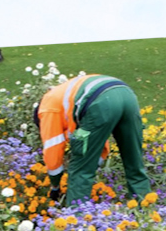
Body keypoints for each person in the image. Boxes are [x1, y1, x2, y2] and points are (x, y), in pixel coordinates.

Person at [36, 73, 153, 205]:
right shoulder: (63, 98)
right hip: (126, 94)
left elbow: (53, 152)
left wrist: (55, 187)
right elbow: (101, 145)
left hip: (101, 101)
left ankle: (77, 214)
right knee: (134, 161)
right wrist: (93, 163)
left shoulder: (47, 109)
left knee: (80, 169)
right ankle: (146, 207)